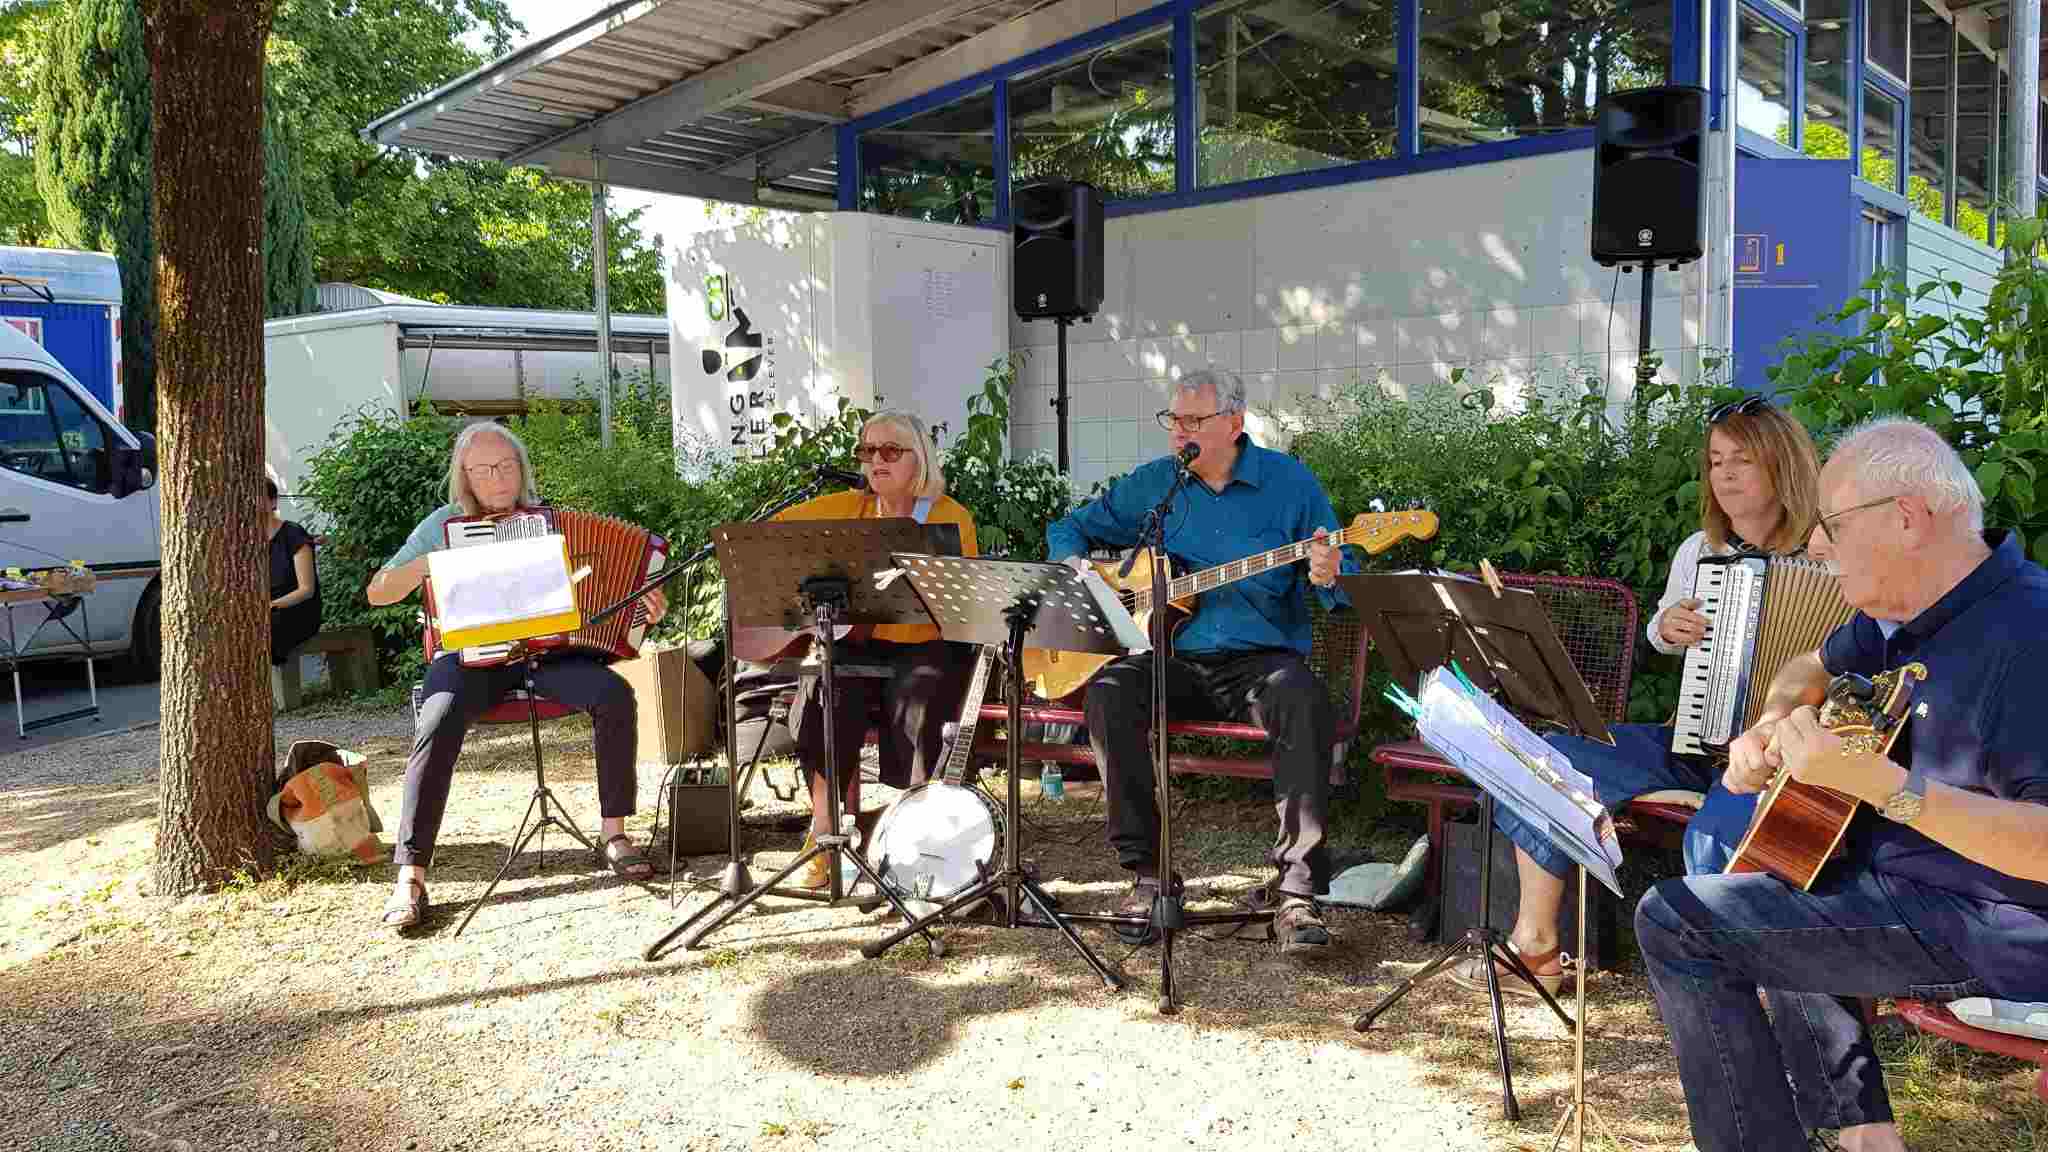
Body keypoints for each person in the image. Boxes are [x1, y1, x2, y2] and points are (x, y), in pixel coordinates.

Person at [1637, 415, 2048, 1152]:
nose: (1817, 546)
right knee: (1779, 868)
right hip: (1904, 880)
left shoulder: (2030, 637)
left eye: (1832, 524)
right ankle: (1863, 1134)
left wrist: (1879, 783)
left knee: (1680, 922)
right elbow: (1806, 670)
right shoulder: (1905, 610)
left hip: (1997, 918)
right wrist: (1769, 727)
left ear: (1908, 519)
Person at [1451, 394, 1820, 997]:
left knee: (1716, 833)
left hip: (1780, 759)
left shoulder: (1827, 552)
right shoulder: (1699, 553)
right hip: (1699, 736)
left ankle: (1737, 981)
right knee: (1549, 758)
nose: (1723, 475)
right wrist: (1666, 626)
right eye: (1715, 461)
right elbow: (1662, 635)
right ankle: (1536, 948)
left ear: (1783, 468)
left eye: (1741, 461)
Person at [1046, 367, 1354, 953]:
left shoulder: (1289, 485)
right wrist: (1079, 571)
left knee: (1302, 698)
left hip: (1260, 663)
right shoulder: (1157, 485)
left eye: (1193, 421)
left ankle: (1297, 893)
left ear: (1234, 424)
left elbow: (1341, 573)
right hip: (1175, 657)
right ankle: (1150, 876)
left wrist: (1331, 572)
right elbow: (1069, 528)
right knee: (1110, 691)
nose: (1178, 433)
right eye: (1173, 420)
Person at [366, 421, 665, 932]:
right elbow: (378, 592)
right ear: (464, 475)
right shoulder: (442, 524)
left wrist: (642, 605)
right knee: (436, 717)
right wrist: (429, 564)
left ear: (521, 469)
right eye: (483, 469)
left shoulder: (551, 520)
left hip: (546, 655)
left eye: (506, 466)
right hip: (469, 657)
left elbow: (594, 590)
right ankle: (411, 874)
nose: (497, 477)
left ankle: (614, 833)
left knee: (613, 693)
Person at [769, 409, 978, 889]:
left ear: (919, 458)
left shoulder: (948, 515)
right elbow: (773, 538)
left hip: (928, 645)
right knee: (823, 688)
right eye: (867, 451)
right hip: (861, 643)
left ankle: (918, 842)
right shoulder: (845, 506)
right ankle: (825, 834)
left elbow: (960, 602)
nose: (876, 460)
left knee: (923, 696)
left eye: (890, 451)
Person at [267, 470, 322, 669]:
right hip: (267, 609)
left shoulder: (293, 534)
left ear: (273, 502)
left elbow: (306, 590)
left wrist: (271, 605)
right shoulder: (246, 540)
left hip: (296, 610)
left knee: (265, 628)